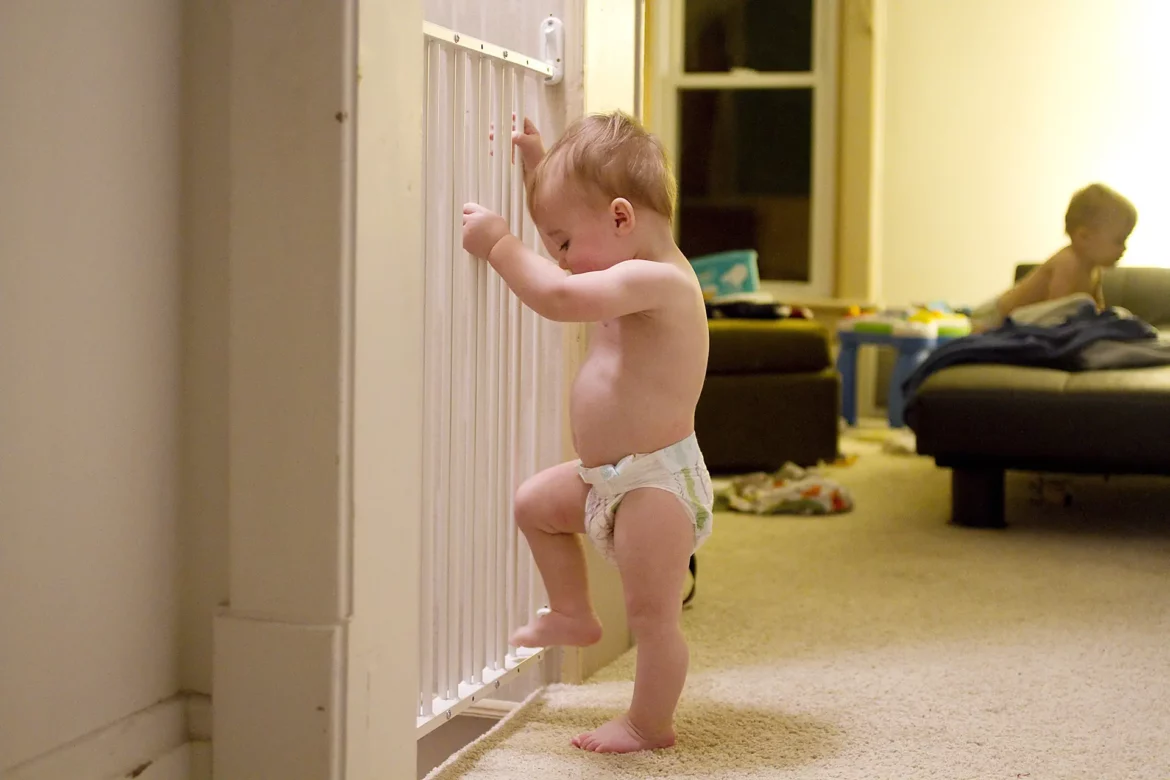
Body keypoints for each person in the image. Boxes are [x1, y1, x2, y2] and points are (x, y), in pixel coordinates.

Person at [461, 111, 713, 754]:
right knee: (534, 506)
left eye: (565, 245)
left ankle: (647, 724)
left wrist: (500, 243)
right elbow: (579, 234)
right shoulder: (622, 259)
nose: (561, 261)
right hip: (605, 477)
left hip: (658, 484)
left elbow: (560, 300)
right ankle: (573, 613)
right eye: (554, 246)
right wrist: (537, 169)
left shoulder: (659, 281)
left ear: (623, 218)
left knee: (653, 616)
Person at [972, 183, 1138, 331]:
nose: (1124, 248)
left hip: (1019, 318)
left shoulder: (1094, 271)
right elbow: (1054, 312)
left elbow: (1098, 309)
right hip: (995, 315)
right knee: (975, 331)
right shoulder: (1068, 262)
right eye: (1119, 240)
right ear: (1084, 237)